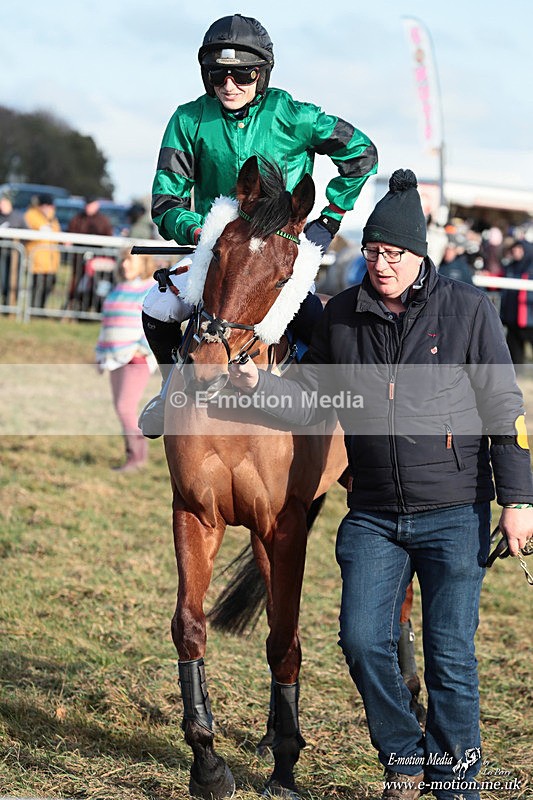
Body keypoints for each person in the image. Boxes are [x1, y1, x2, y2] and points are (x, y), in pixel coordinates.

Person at [227, 169, 533, 800]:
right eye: (372, 253)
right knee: (363, 641)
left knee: (450, 659)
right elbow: (314, 401)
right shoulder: (342, 316)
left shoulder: (469, 312)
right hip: (372, 515)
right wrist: (265, 391)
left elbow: (507, 411)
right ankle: (403, 757)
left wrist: (520, 501)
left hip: (456, 513)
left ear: (420, 255)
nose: (382, 264)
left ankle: (454, 783)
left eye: (393, 254)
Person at [138, 12, 378, 437]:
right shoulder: (188, 119)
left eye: (242, 75)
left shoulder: (293, 115)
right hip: (220, 254)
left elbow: (361, 154)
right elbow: (165, 202)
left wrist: (330, 219)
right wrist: (203, 233)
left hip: (280, 255)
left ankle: (349, 429)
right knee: (157, 308)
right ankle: (168, 389)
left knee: (325, 330)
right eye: (218, 75)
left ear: (261, 74)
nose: (229, 85)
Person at [95, 251, 158, 472]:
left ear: (143, 262)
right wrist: (101, 353)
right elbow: (107, 325)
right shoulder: (117, 291)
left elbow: (150, 322)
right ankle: (131, 455)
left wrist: (141, 349)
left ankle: (137, 457)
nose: (124, 264)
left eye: (130, 260)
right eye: (122, 260)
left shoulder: (149, 288)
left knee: (125, 407)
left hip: (135, 358)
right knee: (120, 408)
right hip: (114, 358)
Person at [67, 196, 114, 309]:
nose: (88, 208)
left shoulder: (103, 221)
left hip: (97, 259)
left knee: (97, 283)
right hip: (79, 258)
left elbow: (108, 238)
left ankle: (96, 306)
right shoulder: (77, 219)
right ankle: (74, 305)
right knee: (76, 282)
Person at [499, 239, 533, 368]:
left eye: (519, 249)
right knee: (514, 353)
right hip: (512, 318)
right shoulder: (510, 267)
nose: (516, 252)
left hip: (530, 320)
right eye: (514, 249)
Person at [24, 193, 61, 308]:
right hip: (37, 260)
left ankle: (40, 308)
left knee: (49, 284)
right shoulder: (31, 215)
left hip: (51, 260)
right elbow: (39, 229)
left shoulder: (52, 218)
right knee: (37, 286)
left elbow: (56, 232)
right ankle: (34, 309)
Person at [0, 194, 26, 307]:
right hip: (1, 253)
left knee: (13, 279)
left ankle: (10, 304)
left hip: (14, 254)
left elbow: (27, 233)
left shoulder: (18, 217)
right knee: (2, 279)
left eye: (4, 203)